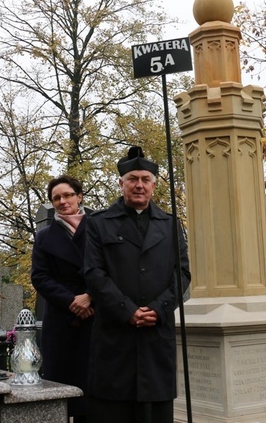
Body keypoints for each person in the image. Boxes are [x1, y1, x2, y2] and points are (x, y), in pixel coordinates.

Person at [84, 146, 190, 423]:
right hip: (115, 340)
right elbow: (94, 273)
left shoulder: (170, 224)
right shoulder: (99, 223)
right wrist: (127, 310)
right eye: (133, 179)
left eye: (145, 180)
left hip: (156, 338)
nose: (139, 185)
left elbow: (182, 273)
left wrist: (159, 308)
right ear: (121, 184)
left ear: (154, 185)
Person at [31, 175, 94, 422]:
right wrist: (72, 301)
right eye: (56, 197)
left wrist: (91, 297)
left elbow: (113, 268)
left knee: (95, 391)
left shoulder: (100, 227)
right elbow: (40, 277)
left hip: (96, 314)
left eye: (68, 195)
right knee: (63, 390)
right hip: (62, 318)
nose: (62, 201)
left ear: (79, 197)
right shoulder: (45, 236)